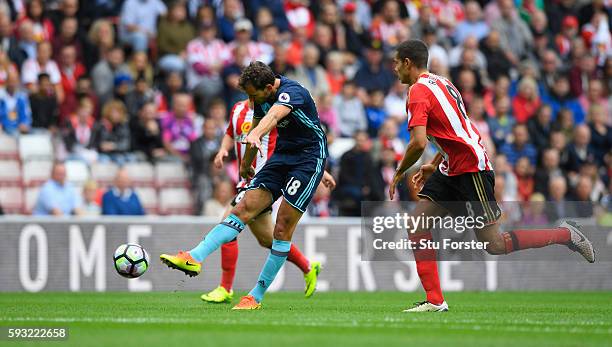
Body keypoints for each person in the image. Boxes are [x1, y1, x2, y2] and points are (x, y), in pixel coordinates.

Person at [388, 39, 594, 312]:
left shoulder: (417, 92)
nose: (394, 69)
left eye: (395, 62)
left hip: (472, 167)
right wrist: (438, 162)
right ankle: (435, 300)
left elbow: (418, 142)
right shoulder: (442, 82)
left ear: (407, 63)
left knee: (494, 244)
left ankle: (565, 235)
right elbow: (457, 129)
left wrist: (400, 171)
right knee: (417, 224)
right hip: (455, 164)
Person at [161, 62, 336, 310]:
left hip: (309, 159)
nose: (250, 100)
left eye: (253, 95)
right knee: (242, 208)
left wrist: (256, 135)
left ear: (267, 87)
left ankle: (255, 296)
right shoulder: (260, 99)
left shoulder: (292, 92)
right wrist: (246, 164)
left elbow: (274, 116)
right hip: (282, 157)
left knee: (282, 229)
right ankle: (194, 257)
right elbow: (256, 125)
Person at [198, 99, 327, 303]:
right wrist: (223, 149)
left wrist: (320, 170)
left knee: (228, 220)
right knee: (267, 239)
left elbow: (295, 145)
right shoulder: (237, 108)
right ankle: (308, 267)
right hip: (245, 180)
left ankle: (225, 288)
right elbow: (230, 133)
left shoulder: (273, 113)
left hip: (264, 181)